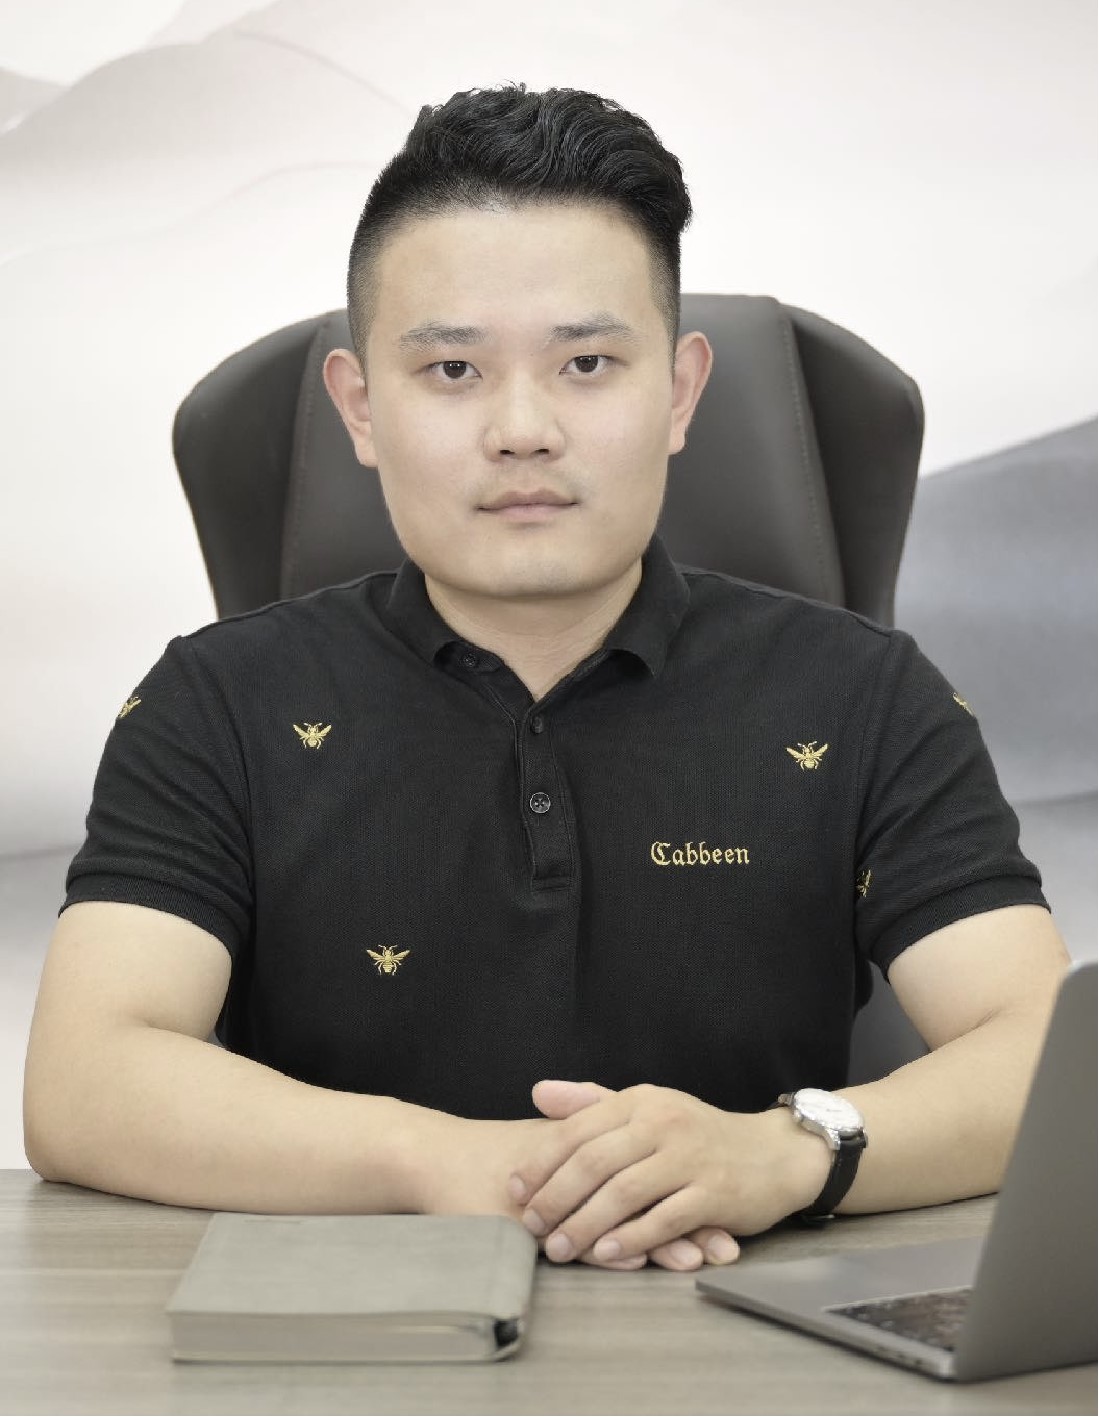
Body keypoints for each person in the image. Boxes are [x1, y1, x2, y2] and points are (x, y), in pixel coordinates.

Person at [24, 84, 1068, 1275]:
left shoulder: (862, 693)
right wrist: (459, 1164)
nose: (522, 428)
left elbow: (1044, 1054)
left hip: (756, 1317)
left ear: (677, 392)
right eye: (451, 370)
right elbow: (85, 1079)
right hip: (344, 1330)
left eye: (585, 362)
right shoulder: (217, 701)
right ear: (359, 407)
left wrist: (779, 1152)